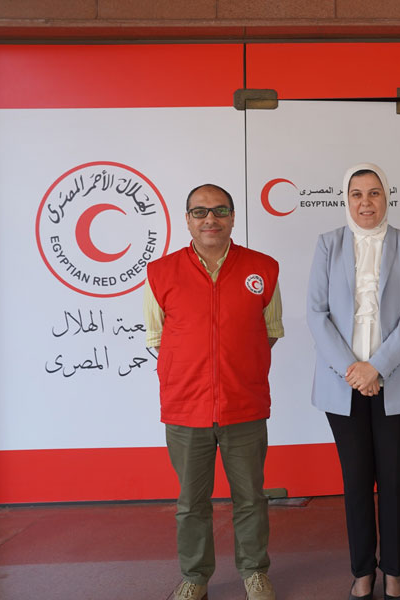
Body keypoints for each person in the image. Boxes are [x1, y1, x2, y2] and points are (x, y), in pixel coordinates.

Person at [144, 183, 282, 600]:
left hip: (245, 405)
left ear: (233, 217)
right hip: (185, 409)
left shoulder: (263, 268)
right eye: (200, 212)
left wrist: (234, 368)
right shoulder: (160, 272)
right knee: (191, 503)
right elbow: (157, 338)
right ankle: (195, 577)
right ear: (187, 220)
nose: (211, 219)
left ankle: (254, 573)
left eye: (220, 210)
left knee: (251, 498)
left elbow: (270, 332)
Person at [307, 163, 400, 600]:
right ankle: (362, 571)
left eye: (374, 193)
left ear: (386, 196)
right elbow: (316, 314)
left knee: (394, 481)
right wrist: (354, 371)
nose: (365, 202)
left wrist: (376, 367)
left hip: (395, 380)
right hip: (343, 384)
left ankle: (394, 570)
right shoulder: (328, 244)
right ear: (346, 199)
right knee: (356, 481)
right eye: (356, 194)